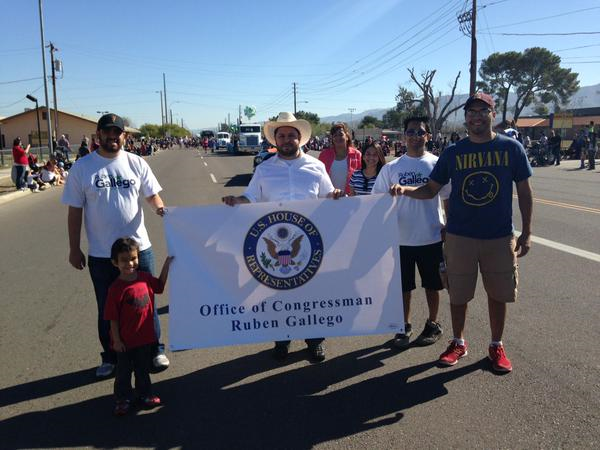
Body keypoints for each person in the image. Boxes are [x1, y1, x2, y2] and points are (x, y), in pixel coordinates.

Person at [391, 93, 533, 373]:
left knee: (498, 293)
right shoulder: (454, 153)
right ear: (465, 117)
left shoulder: (511, 148)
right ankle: (458, 342)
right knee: (458, 294)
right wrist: (406, 190)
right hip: (459, 237)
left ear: (493, 114)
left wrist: (527, 232)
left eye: (483, 111)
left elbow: (525, 191)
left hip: (499, 236)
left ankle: (496, 345)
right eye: (471, 112)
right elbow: (431, 189)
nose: (477, 116)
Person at [222, 112, 343, 362]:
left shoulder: (316, 166)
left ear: (300, 139)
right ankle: (282, 340)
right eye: (282, 136)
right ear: (275, 140)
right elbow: (252, 197)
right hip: (274, 244)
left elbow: (327, 196)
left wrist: (335, 196)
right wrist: (237, 201)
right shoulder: (264, 169)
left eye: (291, 135)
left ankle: (314, 340)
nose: (287, 139)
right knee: (278, 293)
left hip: (310, 244)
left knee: (311, 294)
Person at [61, 113, 170, 378]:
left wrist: (165, 213)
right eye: (106, 132)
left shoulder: (136, 162)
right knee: (107, 309)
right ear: (98, 135)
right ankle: (110, 356)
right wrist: (74, 249)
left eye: (117, 132)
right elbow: (75, 212)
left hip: (139, 251)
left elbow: (152, 196)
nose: (112, 136)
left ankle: (154, 349)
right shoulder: (82, 168)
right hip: (102, 255)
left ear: (124, 136)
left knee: (146, 303)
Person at [373, 116, 450, 349]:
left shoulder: (437, 163)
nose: (416, 136)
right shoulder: (391, 167)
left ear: (427, 136)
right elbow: (377, 200)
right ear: (404, 136)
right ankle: (403, 326)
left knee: (433, 285)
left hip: (431, 235)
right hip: (400, 238)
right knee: (403, 287)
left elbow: (447, 196)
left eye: (420, 132)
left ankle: (433, 323)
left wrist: (449, 224)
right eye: (411, 132)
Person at [105, 237, 173, 416]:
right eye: (124, 260)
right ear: (115, 263)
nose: (130, 263)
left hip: (144, 338)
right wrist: (117, 341)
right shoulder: (115, 289)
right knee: (123, 373)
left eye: (133, 258)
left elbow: (159, 286)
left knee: (143, 370)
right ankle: (123, 399)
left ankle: (145, 395)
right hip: (125, 342)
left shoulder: (145, 278)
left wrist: (167, 265)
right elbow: (112, 319)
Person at [318, 122, 362, 194]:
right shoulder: (324, 155)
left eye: (341, 134)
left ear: (347, 137)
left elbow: (362, 177)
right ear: (332, 138)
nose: (338, 138)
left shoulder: (357, 155)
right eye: (335, 135)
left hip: (350, 199)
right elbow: (319, 177)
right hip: (329, 198)